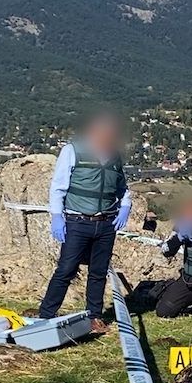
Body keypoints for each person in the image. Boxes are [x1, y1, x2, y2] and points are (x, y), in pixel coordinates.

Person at [37, 112, 132, 333]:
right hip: (77, 221)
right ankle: (45, 316)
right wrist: (57, 216)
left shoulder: (114, 156)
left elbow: (122, 187)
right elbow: (58, 186)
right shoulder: (72, 151)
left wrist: (125, 206)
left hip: (106, 223)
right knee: (66, 269)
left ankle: (94, 317)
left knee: (98, 272)